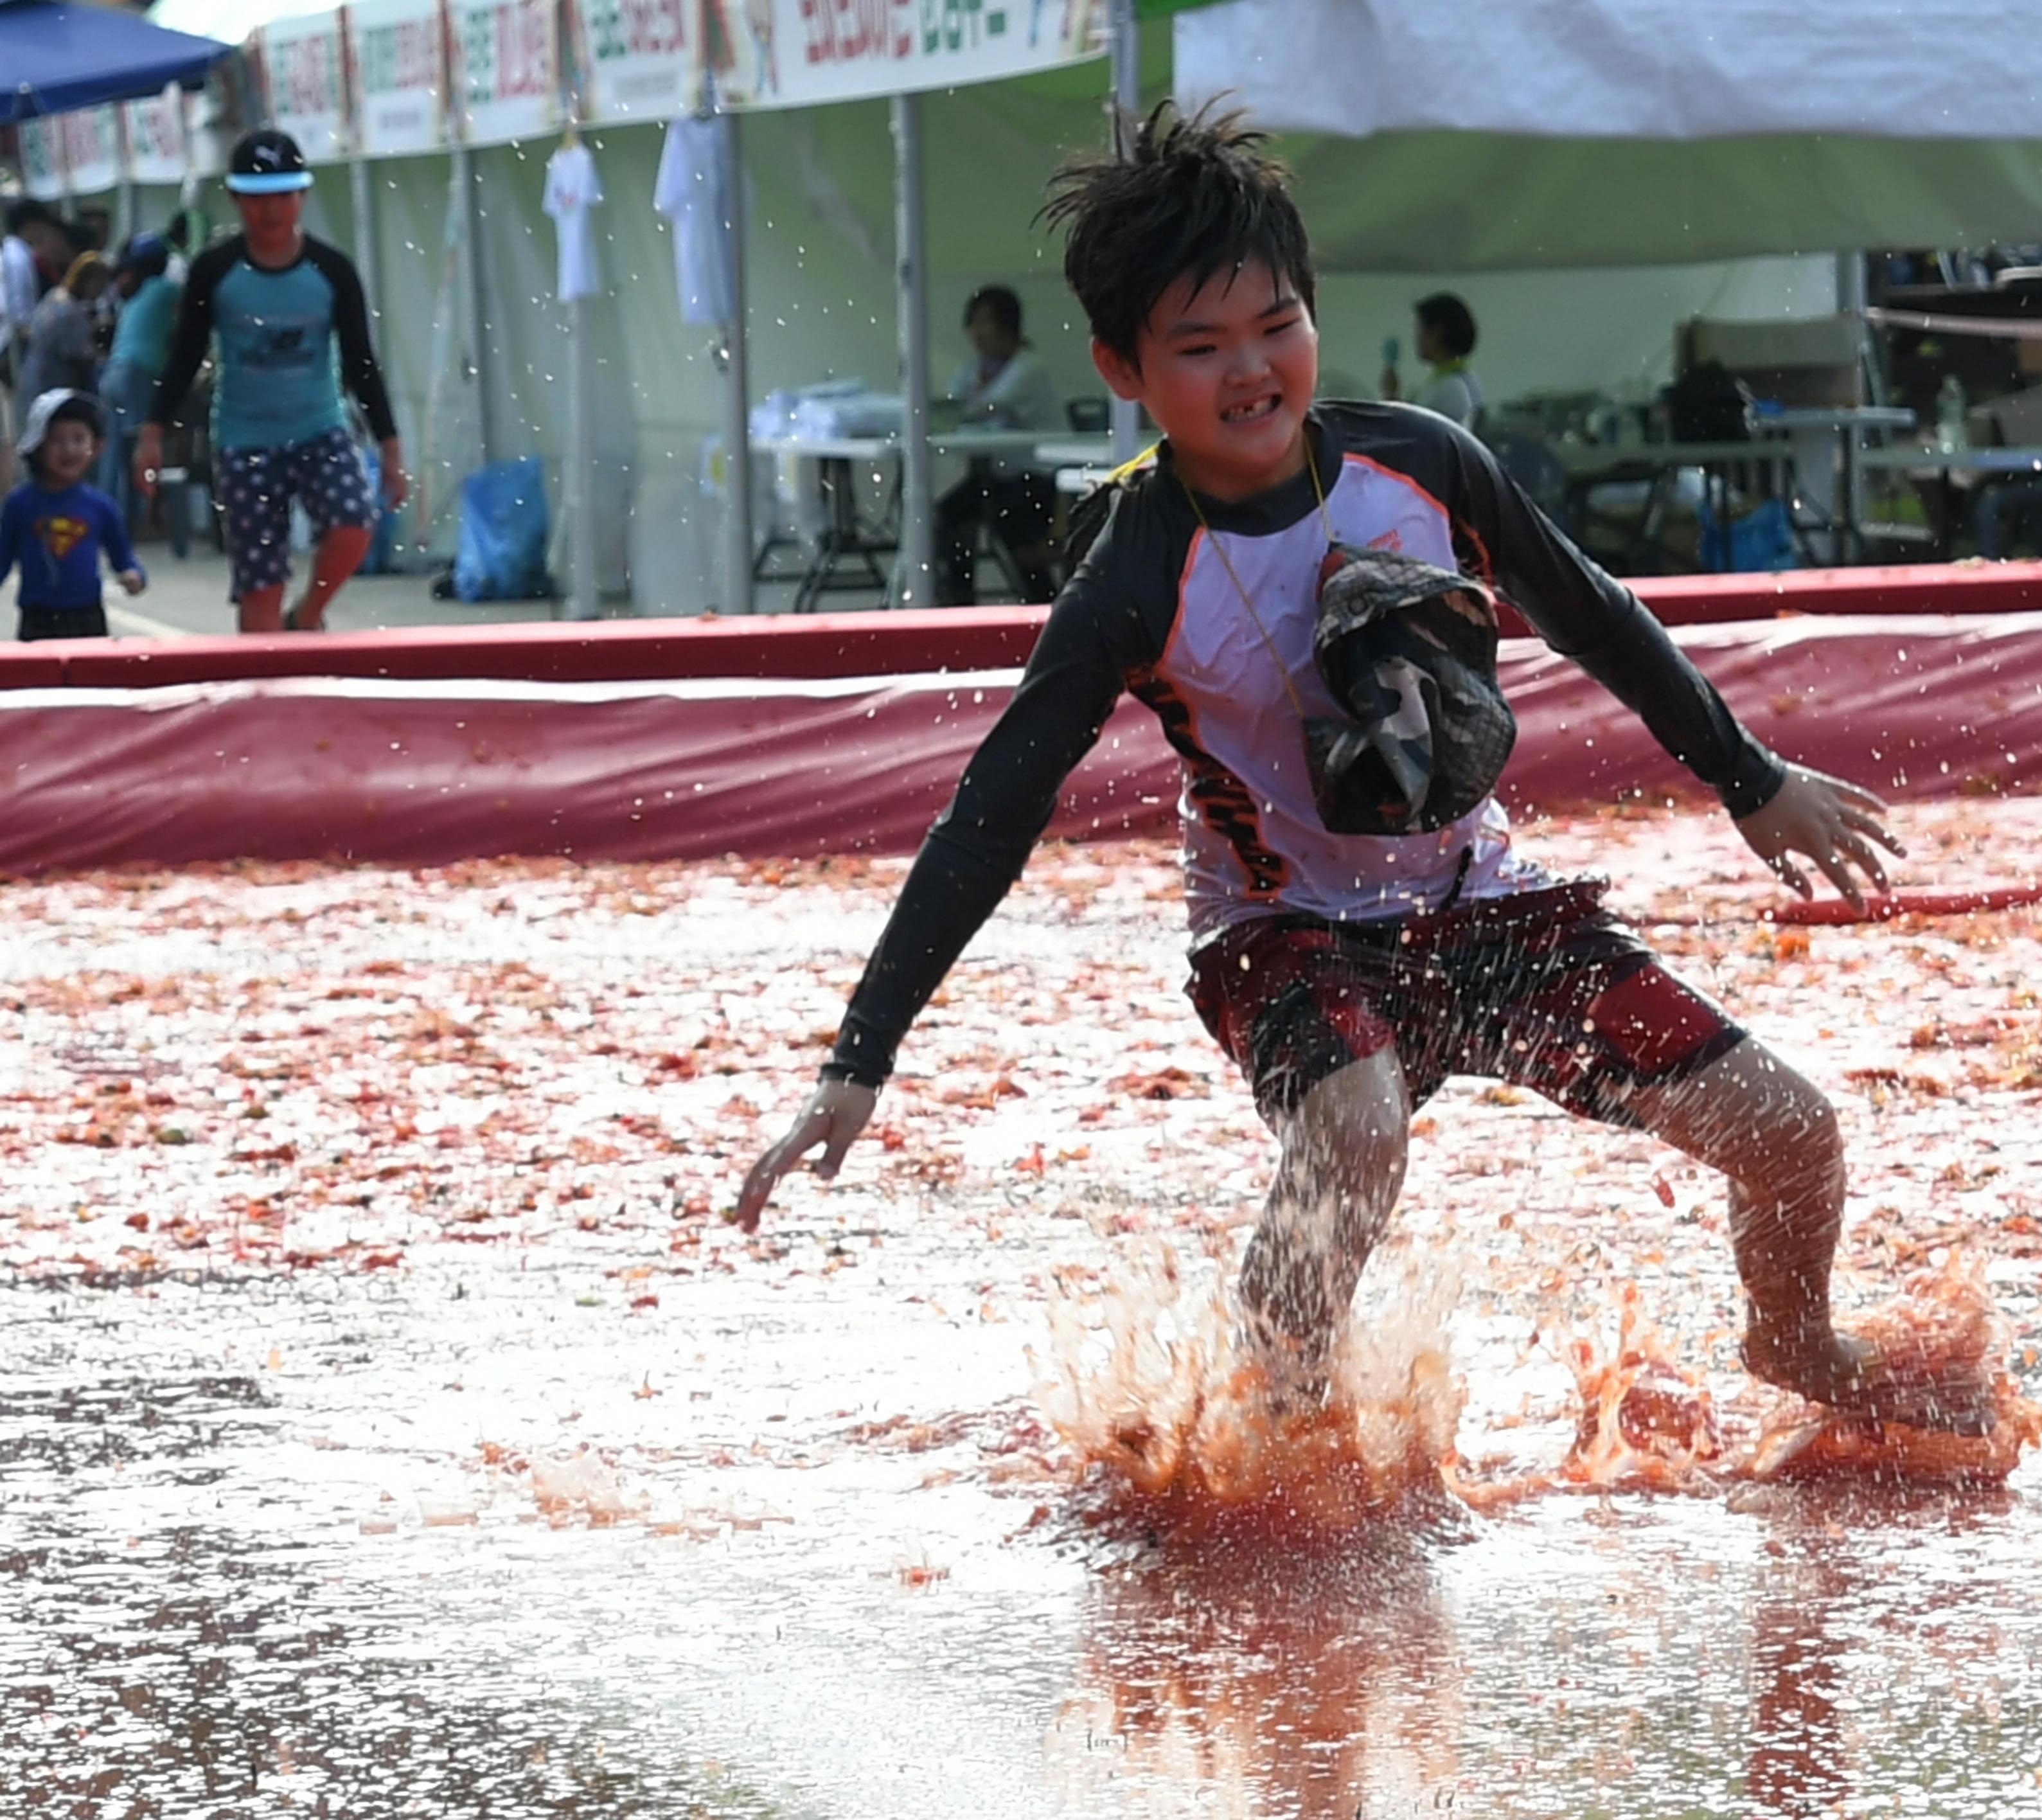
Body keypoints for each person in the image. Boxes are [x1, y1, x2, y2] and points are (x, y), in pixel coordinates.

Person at [736, 105, 1919, 1422]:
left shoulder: (1420, 462)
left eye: (1276, 326)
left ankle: (1797, 1345)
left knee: (1794, 1134)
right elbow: (991, 815)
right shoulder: (1130, 576)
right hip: (1282, 930)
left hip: (1479, 904)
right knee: (1356, 1128)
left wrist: (1750, 781)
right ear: (1122, 367)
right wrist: (860, 1059)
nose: (1251, 372)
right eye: (1200, 348)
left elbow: (1590, 612)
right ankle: (1280, 1429)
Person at [136, 130, 407, 634]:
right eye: (259, 197)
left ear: (303, 195)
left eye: (285, 194)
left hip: (320, 427)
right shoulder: (215, 270)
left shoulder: (332, 270)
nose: (272, 210)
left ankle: (307, 616)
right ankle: (264, 684)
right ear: (236, 198)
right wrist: (153, 433)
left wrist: (391, 447)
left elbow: (361, 363)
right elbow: (184, 355)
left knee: (354, 522)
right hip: (245, 440)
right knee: (261, 584)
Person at [935, 284, 1069, 604]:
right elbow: (951, 406)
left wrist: (963, 404)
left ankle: (1041, 605)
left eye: (985, 322)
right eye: (973, 323)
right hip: (998, 476)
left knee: (1009, 526)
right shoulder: (975, 368)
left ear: (1008, 326)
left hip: (1038, 478)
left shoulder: (1029, 368)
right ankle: (958, 602)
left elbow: (978, 408)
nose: (976, 333)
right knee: (947, 518)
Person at [3, 389, 145, 642]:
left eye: (79, 439)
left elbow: (122, 555)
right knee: (38, 681)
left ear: (97, 446)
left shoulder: (101, 506)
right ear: (37, 446)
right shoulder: (19, 504)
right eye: (57, 440)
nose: (69, 449)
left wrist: (133, 574)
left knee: (93, 681)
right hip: (38, 618)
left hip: (88, 616)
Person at [98, 234, 180, 506]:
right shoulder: (165, 289)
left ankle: (109, 512)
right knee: (138, 448)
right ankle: (134, 516)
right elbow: (200, 303)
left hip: (113, 372)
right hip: (138, 373)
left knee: (113, 452)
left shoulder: (131, 296)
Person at [1, 202, 73, 494]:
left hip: (8, 343)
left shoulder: (10, 252)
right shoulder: (17, 256)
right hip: (12, 345)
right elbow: (20, 310)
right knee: (18, 421)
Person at [14, 251, 111, 414]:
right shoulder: (67, 310)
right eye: (99, 285)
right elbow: (77, 353)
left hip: (36, 378)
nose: (100, 292)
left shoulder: (56, 296)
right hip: (50, 383)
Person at [1378, 292, 1484, 428]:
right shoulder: (1463, 379)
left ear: (1437, 333)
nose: (1417, 339)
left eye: (1421, 330)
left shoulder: (1449, 387)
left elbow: (1407, 434)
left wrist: (1391, 397)